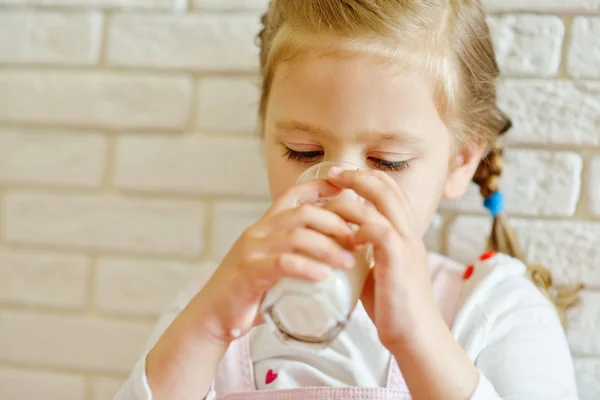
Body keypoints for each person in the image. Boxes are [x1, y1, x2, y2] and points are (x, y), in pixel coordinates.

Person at [115, 1, 584, 399]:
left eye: (388, 161)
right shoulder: (217, 299)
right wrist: (211, 326)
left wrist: (419, 341)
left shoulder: (492, 308)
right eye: (304, 152)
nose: (341, 189)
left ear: (460, 161)